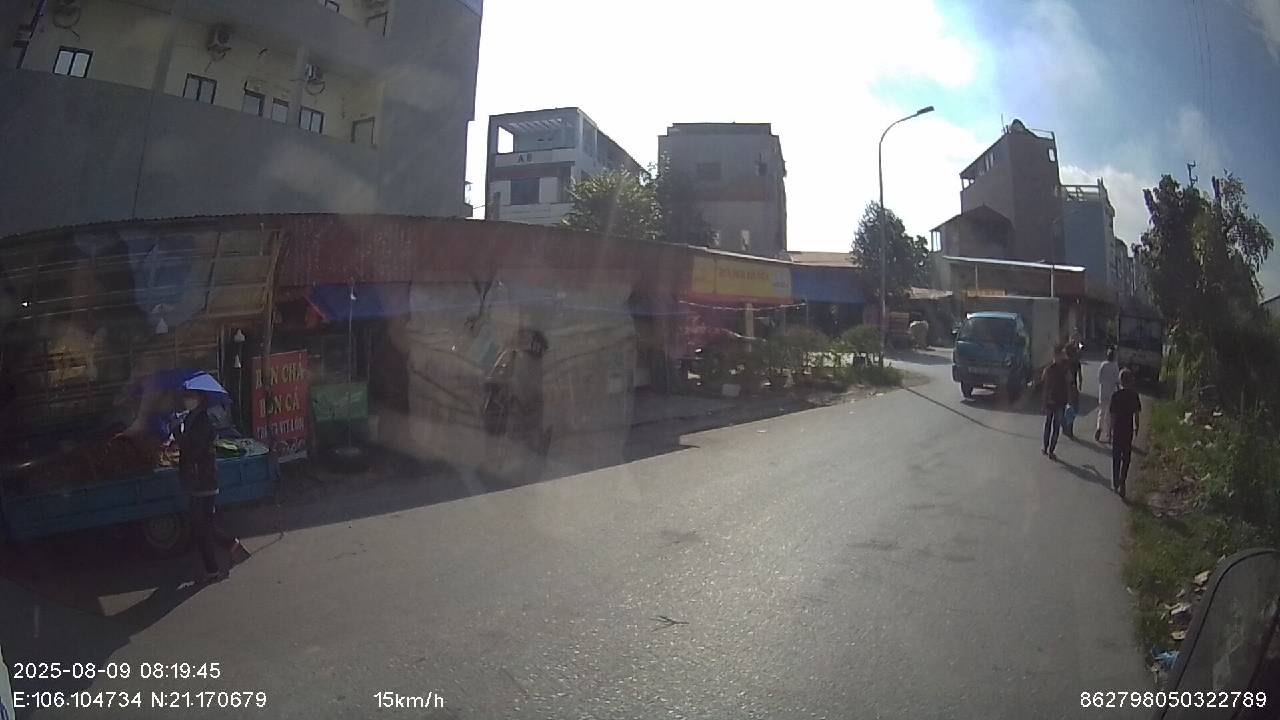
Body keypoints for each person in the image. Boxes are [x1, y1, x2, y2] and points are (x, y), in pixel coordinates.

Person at [178, 389, 248, 582]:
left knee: (201, 526)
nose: (186, 399)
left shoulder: (202, 421)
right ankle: (231, 546)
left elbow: (193, 450)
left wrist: (177, 432)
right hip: (198, 478)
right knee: (203, 524)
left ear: (200, 399)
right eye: (186, 396)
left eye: (190, 396)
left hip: (203, 479)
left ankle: (213, 569)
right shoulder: (192, 418)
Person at [1109, 369, 1142, 499]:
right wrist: (1137, 426)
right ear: (1130, 381)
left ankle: (1116, 481)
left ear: (1121, 381)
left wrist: (1110, 431)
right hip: (1128, 429)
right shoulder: (1134, 395)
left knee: (1116, 456)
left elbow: (1112, 415)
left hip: (1117, 429)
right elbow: (1137, 413)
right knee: (1126, 457)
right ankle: (1123, 480)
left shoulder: (1116, 396)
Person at [1041, 345, 1071, 460]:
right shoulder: (1064, 369)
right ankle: (1049, 449)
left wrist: (1044, 402)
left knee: (1050, 425)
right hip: (1058, 401)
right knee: (1054, 426)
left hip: (1053, 401)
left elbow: (1045, 386)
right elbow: (1069, 382)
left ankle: (1047, 448)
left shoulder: (1049, 369)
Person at [1096, 347, 1120, 443]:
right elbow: (1117, 380)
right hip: (1112, 393)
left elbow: (1099, 378)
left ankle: (1099, 428)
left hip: (1103, 391)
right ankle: (1108, 433)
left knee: (1101, 411)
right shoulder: (1115, 366)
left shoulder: (1103, 365)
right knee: (1110, 414)